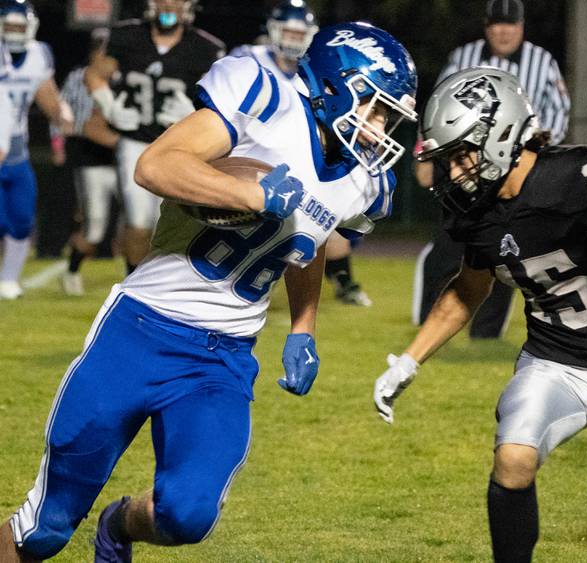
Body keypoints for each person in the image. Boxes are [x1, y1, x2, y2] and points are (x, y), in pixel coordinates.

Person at [0, 21, 417, 562]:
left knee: (188, 514)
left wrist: (303, 327)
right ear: (336, 84)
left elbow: (304, 247)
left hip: (222, 360)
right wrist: (249, 192)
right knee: (45, 531)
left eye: (389, 116)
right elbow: (155, 165)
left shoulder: (366, 183)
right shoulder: (263, 99)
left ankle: (119, 525)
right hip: (140, 331)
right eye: (375, 107)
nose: (378, 127)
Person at [374, 67, 587, 563]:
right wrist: (409, 360)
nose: (453, 173)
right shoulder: (473, 210)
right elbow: (467, 289)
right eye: (447, 159)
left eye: (461, 154)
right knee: (513, 458)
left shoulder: (571, 175)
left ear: (499, 135)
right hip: (552, 361)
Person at [412, 0, 571, 338]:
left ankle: (486, 332)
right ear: (486, 26)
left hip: (514, 172)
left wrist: (539, 156)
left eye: (510, 24)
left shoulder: (541, 61)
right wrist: (423, 155)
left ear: (521, 27)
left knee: (505, 247)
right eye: (497, 24)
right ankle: (430, 320)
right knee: (447, 246)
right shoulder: (463, 56)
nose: (503, 31)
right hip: (463, 167)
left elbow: (559, 110)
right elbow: (436, 105)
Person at [230, 0, 372, 306]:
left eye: (300, 34)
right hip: (249, 151)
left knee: (323, 214)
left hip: (299, 153)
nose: (293, 41)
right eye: (289, 33)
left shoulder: (312, 71)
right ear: (272, 30)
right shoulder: (247, 60)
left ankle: (342, 280)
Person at [84, 0, 225, 275]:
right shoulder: (126, 36)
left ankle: (173, 284)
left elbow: (223, 98)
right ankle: (133, 283)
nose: (168, 5)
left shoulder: (206, 47)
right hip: (135, 141)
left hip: (183, 146)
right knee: (139, 222)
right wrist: (109, 106)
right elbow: (94, 75)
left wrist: (196, 110)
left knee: (180, 223)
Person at [0, 0, 73, 300]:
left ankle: (8, 280)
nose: (15, 32)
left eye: (20, 26)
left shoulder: (38, 55)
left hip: (17, 152)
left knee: (21, 221)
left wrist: (60, 114)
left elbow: (47, 95)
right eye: (9, 26)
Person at [59, 29, 121, 296]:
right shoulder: (83, 78)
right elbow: (88, 126)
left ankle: (137, 284)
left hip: (126, 164)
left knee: (142, 225)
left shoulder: (128, 77)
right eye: (101, 50)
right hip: (94, 162)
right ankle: (71, 271)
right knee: (95, 228)